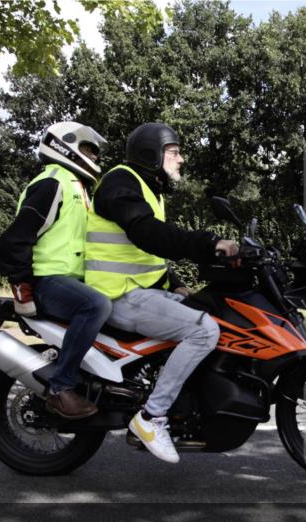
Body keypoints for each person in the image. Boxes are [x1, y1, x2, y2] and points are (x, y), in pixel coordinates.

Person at [86, 122, 238, 463]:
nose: (181, 159)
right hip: (118, 295)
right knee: (204, 330)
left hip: (136, 290)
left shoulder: (148, 189)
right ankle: (151, 417)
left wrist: (174, 283)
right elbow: (147, 233)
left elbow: (144, 254)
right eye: (174, 152)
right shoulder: (120, 183)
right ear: (151, 154)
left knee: (208, 311)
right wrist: (209, 243)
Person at [0, 121, 112, 419]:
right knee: (96, 305)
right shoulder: (53, 183)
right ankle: (60, 388)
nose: (95, 157)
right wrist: (22, 288)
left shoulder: (78, 188)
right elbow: (13, 241)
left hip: (68, 282)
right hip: (46, 281)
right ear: (65, 146)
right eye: (89, 149)